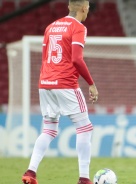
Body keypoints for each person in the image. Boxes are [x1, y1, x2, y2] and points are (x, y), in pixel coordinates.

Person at [22, 1, 98, 184]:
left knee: (48, 129)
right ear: (83, 9)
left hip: (45, 82)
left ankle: (30, 173)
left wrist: (48, 79)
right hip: (65, 83)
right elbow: (77, 59)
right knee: (85, 129)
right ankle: (84, 179)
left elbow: (45, 56)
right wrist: (91, 83)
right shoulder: (79, 27)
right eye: (87, 7)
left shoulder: (51, 26)